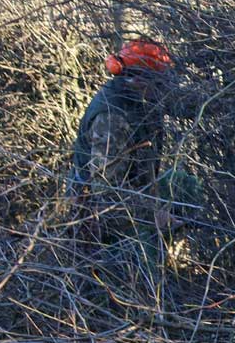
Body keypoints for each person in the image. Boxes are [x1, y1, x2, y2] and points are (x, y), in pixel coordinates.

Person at [69, 37, 179, 259]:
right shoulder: (113, 118)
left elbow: (182, 104)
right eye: (160, 83)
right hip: (101, 228)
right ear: (139, 80)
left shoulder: (140, 99)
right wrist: (154, 215)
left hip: (134, 208)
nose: (165, 89)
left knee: (185, 183)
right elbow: (108, 194)